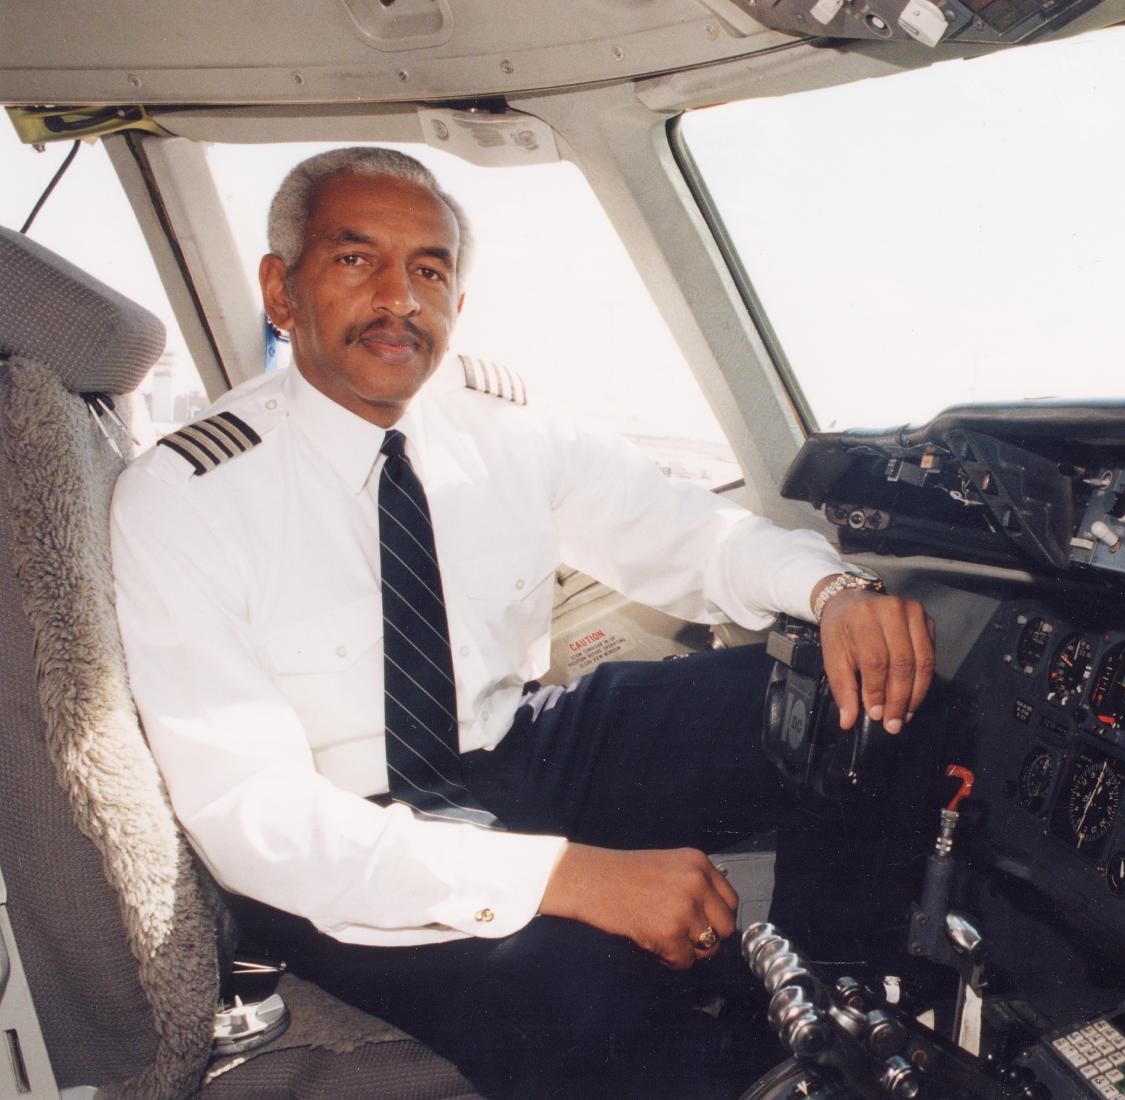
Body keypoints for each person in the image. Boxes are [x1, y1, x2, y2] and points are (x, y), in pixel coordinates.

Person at [109, 147, 936, 1097]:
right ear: (281, 292)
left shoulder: (497, 419)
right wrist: (571, 880)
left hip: (517, 749)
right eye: (354, 260)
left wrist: (834, 595)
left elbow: (688, 533)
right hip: (346, 834)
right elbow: (258, 819)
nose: (400, 298)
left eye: (429, 269)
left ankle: (831, 1010)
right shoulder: (185, 496)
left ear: (456, 303)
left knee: (853, 699)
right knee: (586, 996)